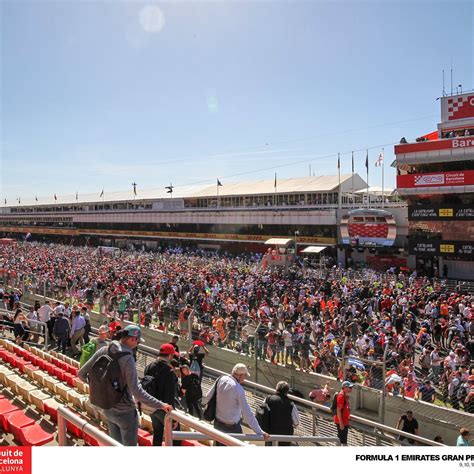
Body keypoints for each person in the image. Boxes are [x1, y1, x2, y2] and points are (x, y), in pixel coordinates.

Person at [78, 325, 172, 446]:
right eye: (137, 341)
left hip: (107, 407)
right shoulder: (128, 358)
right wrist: (161, 405)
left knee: (115, 445)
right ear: (132, 339)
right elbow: (136, 391)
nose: (137, 344)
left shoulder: (104, 349)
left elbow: (81, 374)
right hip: (125, 413)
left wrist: (101, 387)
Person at [204, 363, 269, 445]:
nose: (245, 379)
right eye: (245, 376)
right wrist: (260, 432)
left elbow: (207, 397)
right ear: (240, 375)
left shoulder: (221, 379)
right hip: (232, 428)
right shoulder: (238, 389)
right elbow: (247, 414)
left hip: (217, 424)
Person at [143, 343, 181, 446]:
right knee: (176, 434)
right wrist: (172, 418)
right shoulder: (169, 371)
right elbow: (170, 396)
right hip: (163, 409)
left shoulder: (149, 366)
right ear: (169, 356)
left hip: (151, 407)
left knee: (157, 433)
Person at [265, 381, 300, 446]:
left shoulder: (268, 399)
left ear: (276, 389)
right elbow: (296, 422)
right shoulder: (291, 404)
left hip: (269, 433)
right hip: (285, 436)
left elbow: (262, 413)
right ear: (287, 391)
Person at [333, 381, 353, 446]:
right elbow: (338, 410)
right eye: (349, 387)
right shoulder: (341, 396)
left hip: (344, 421)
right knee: (343, 441)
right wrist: (341, 424)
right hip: (342, 422)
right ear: (344, 388)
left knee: (340, 439)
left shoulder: (345, 395)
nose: (351, 389)